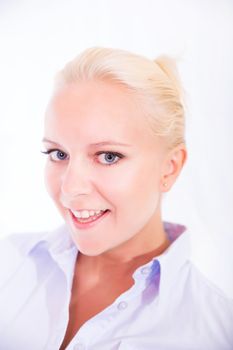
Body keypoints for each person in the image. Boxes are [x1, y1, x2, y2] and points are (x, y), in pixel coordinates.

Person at [0, 47, 233, 350]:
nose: (70, 188)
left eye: (108, 156)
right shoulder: (8, 263)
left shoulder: (214, 332)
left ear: (169, 167)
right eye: (58, 154)